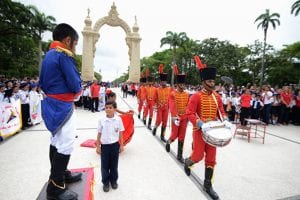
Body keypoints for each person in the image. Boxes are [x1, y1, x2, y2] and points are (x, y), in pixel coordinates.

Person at [39, 23, 82, 200]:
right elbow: (75, 84)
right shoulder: (63, 55)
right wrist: (78, 91)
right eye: (75, 43)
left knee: (56, 141)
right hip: (63, 106)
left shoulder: (48, 55)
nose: (75, 47)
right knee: (66, 143)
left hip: (51, 104)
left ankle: (60, 174)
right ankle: (56, 187)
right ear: (68, 40)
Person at [184, 65, 229, 200]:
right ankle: (188, 161)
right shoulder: (196, 96)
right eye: (209, 81)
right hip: (199, 131)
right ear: (203, 82)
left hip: (213, 131)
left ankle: (208, 185)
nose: (212, 84)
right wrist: (200, 123)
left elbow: (221, 111)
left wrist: (225, 119)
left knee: (211, 159)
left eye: (213, 81)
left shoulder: (217, 97)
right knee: (198, 156)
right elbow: (189, 113)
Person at [96, 100, 124, 192]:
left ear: (115, 109)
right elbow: (99, 134)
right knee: (104, 166)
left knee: (114, 165)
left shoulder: (118, 119)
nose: (108, 109)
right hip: (105, 146)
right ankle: (106, 183)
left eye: (110, 108)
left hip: (115, 146)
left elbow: (120, 133)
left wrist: (121, 145)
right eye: (106, 107)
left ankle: (113, 181)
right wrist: (98, 146)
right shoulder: (101, 120)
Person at [165, 74, 189, 163]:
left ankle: (180, 155)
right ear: (177, 84)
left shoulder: (187, 94)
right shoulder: (172, 94)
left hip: (184, 118)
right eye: (181, 84)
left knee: (182, 136)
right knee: (174, 135)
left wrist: (187, 116)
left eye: (184, 84)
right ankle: (168, 142)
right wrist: (175, 117)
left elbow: (188, 105)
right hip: (176, 118)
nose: (183, 86)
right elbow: (171, 106)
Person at [152, 73, 171, 142]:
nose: (164, 83)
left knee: (165, 122)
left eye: (165, 81)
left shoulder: (169, 89)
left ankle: (162, 136)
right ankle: (155, 127)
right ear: (160, 82)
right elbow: (154, 99)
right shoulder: (157, 90)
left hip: (166, 108)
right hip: (159, 107)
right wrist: (155, 106)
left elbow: (172, 97)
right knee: (159, 120)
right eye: (163, 81)